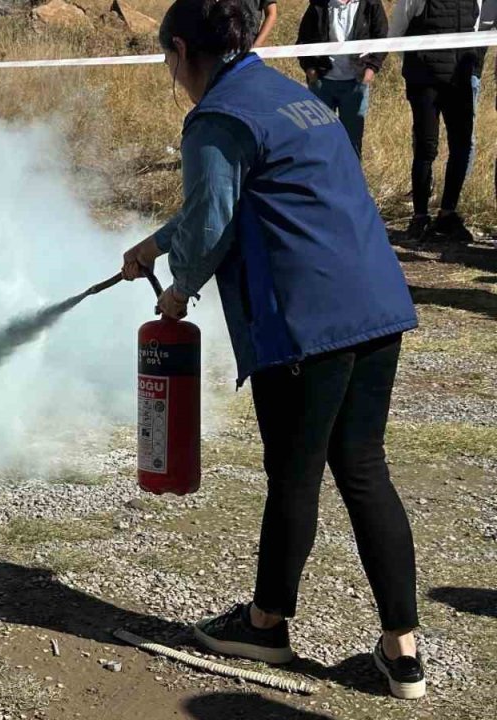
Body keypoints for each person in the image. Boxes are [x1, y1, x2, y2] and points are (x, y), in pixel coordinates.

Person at [122, 0, 426, 701]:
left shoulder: (215, 118)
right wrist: (156, 246)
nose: (173, 76)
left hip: (308, 321)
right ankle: (402, 653)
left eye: (169, 61)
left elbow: (215, 219)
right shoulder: (292, 97)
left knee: (293, 472)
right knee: (362, 466)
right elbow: (238, 198)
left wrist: (179, 289)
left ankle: (264, 624)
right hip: (375, 306)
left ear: (179, 50)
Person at [390, 0, 487, 242]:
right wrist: (418, 62)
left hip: (459, 80)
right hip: (424, 82)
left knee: (462, 145)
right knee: (426, 147)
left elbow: (475, 30)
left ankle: (447, 214)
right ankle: (420, 216)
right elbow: (396, 32)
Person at [297, 0, 390, 158]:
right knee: (319, 140)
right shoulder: (318, 4)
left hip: (355, 84)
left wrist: (371, 69)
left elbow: (382, 36)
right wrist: (311, 70)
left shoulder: (371, 4)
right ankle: (322, 181)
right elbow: (303, 40)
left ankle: (351, 181)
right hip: (322, 83)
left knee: (352, 142)